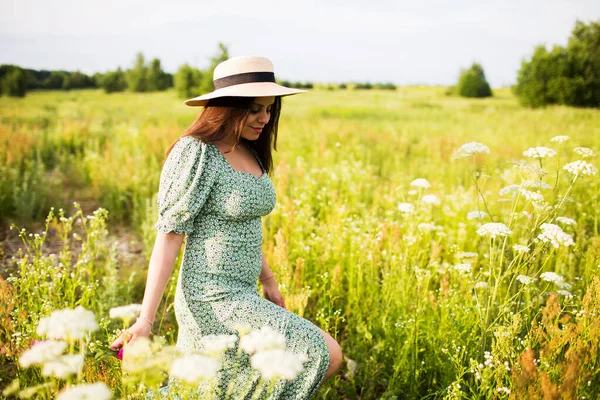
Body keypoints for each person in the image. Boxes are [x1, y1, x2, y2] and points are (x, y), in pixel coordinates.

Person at [109, 56, 342, 399]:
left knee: (223, 385)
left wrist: (270, 282)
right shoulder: (196, 152)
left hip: (245, 291)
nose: (264, 118)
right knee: (325, 353)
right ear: (227, 108)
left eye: (269, 109)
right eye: (254, 110)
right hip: (211, 296)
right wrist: (146, 320)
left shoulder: (250, 150)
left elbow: (246, 227)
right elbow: (170, 234)